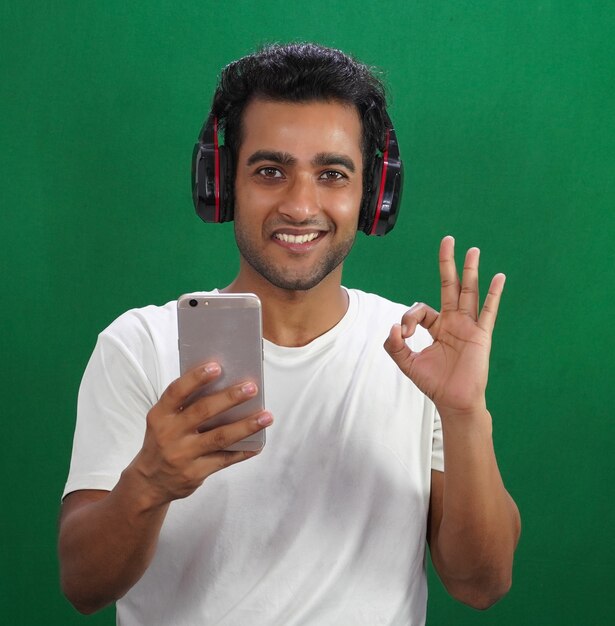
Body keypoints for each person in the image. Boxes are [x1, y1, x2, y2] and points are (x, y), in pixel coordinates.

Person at [58, 43, 520, 625]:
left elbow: (482, 584)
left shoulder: (417, 351)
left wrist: (464, 414)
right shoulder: (140, 345)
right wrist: (148, 483)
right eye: (270, 171)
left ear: (374, 195)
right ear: (221, 185)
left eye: (332, 174)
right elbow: (82, 585)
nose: (301, 206)